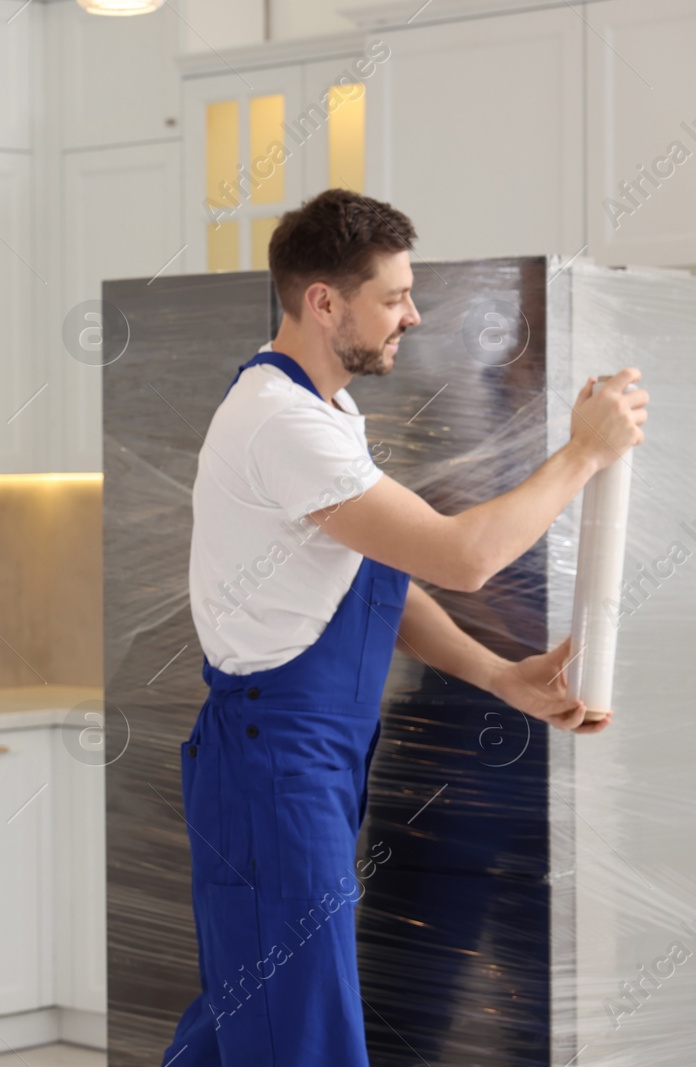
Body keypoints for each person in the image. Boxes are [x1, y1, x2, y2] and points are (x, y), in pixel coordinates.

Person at [163, 188, 648, 1065]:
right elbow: (462, 559)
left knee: (249, 1023)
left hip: (303, 763)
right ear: (323, 301)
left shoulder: (327, 415)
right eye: (393, 296)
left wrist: (501, 674)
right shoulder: (283, 423)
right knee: (298, 1040)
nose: (413, 315)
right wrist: (583, 452)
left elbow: (379, 584)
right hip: (273, 765)